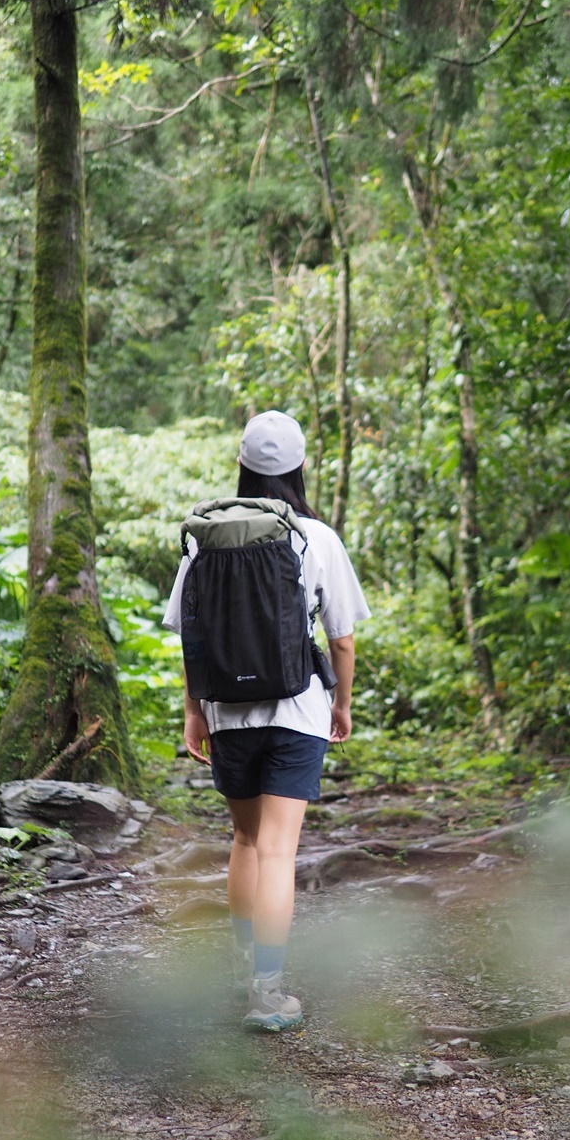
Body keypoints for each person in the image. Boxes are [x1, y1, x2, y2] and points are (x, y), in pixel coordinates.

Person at [162, 411, 370, 1032]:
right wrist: (341, 704)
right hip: (298, 711)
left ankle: (239, 974)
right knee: (279, 852)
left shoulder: (206, 537)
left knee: (247, 842)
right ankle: (268, 994)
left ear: (244, 466)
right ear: (301, 467)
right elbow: (342, 641)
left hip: (228, 713)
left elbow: (188, 635)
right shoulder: (316, 539)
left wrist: (194, 711)